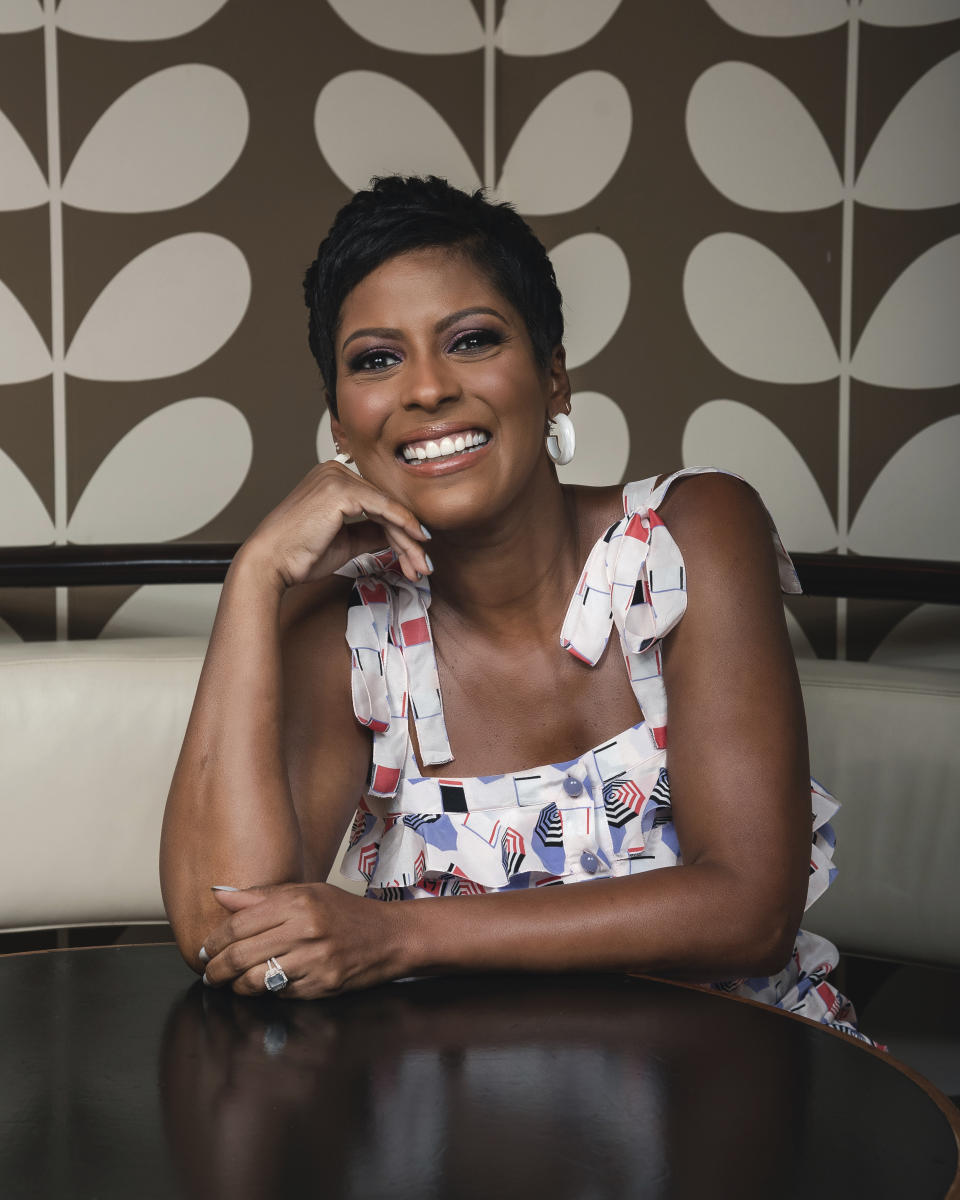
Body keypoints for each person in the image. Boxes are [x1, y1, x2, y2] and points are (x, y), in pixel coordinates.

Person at [160, 175, 862, 1037]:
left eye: (471, 340)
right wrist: (256, 578)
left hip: (732, 1089)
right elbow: (226, 934)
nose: (426, 390)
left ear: (554, 377)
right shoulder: (347, 637)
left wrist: (399, 934)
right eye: (377, 359)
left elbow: (750, 913)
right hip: (460, 1124)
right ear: (341, 429)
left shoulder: (690, 538)